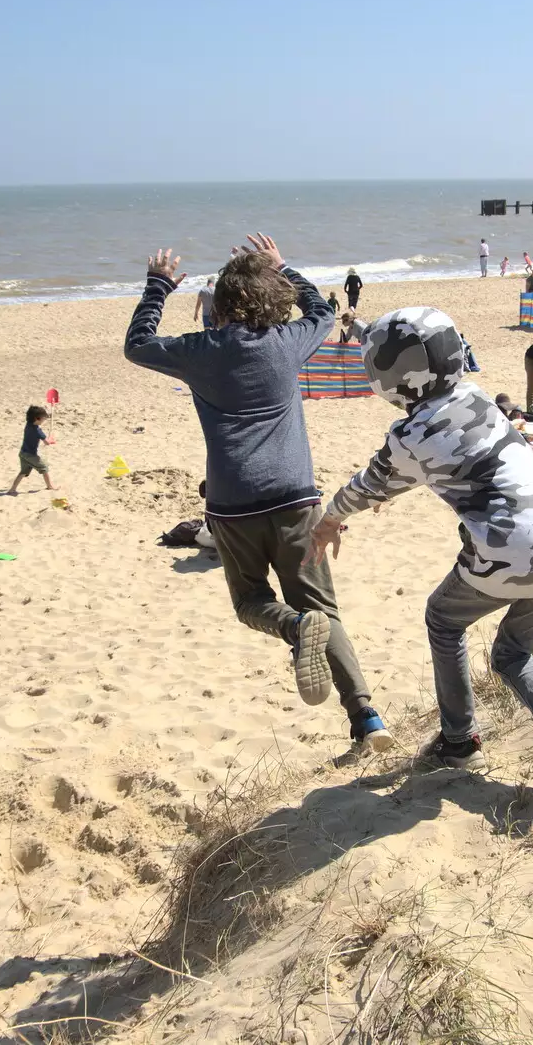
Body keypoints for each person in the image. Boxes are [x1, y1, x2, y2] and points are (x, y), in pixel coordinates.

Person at [124, 233, 391, 755]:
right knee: (324, 609)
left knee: (250, 602)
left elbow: (137, 344)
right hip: (296, 499)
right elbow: (322, 310)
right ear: (273, 299)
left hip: (232, 504)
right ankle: (367, 719)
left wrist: (158, 286)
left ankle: (293, 629)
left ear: (218, 305)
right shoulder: (287, 343)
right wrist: (284, 265)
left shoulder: (200, 351)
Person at [307, 307, 533, 785]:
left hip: (507, 548)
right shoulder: (478, 396)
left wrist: (330, 520)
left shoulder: (409, 433)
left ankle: (460, 742)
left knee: (443, 620)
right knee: (512, 652)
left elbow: (367, 485)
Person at [6, 405, 56, 495]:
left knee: (23, 472)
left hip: (22, 453)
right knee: (44, 468)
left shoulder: (28, 424)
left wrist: (46, 414)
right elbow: (47, 442)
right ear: (37, 418)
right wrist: (51, 439)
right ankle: (50, 486)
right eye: (43, 419)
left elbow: (35, 415)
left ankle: (12, 489)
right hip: (31, 455)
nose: (44, 420)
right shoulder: (38, 431)